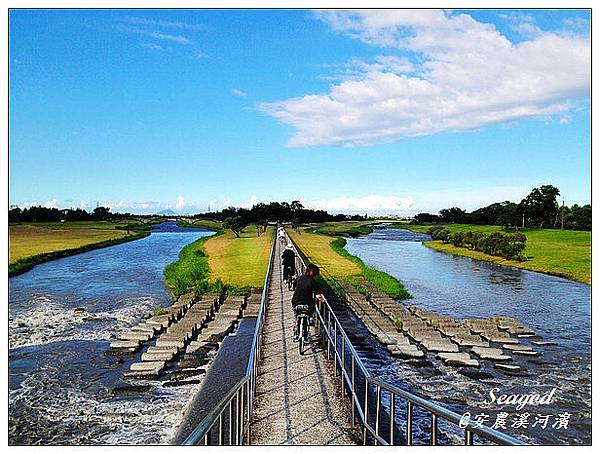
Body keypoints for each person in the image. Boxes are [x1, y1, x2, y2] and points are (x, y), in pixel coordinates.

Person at [291, 263, 325, 341]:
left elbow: (294, 285)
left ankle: (296, 330)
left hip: (296, 301)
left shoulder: (299, 278)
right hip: (307, 303)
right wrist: (322, 300)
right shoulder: (313, 282)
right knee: (308, 313)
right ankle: (306, 333)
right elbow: (318, 295)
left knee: (297, 315)